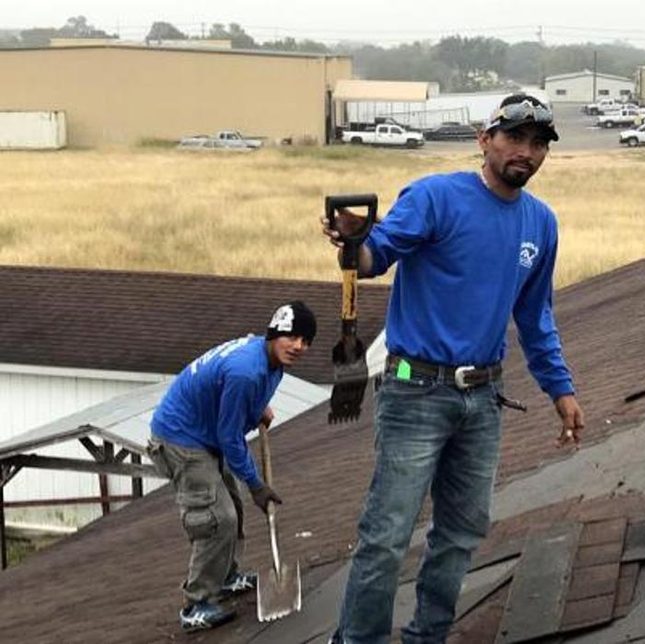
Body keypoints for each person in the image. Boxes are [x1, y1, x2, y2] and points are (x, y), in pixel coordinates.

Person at [323, 93, 585, 643]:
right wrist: (354, 245)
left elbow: (535, 317)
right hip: (414, 392)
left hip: (484, 398)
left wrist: (560, 390)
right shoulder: (436, 197)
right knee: (388, 535)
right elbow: (378, 255)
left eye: (539, 144)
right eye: (515, 137)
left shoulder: (541, 223)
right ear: (484, 140)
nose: (527, 152)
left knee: (463, 531)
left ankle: (429, 635)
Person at [147, 301, 316, 632]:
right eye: (292, 337)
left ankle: (225, 577)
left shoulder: (267, 359)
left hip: (203, 434)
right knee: (216, 518)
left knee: (233, 507)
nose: (299, 346)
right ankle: (195, 604)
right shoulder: (246, 370)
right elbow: (230, 437)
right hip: (180, 440)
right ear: (274, 334)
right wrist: (256, 485)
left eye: (306, 341)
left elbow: (234, 400)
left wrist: (258, 408)